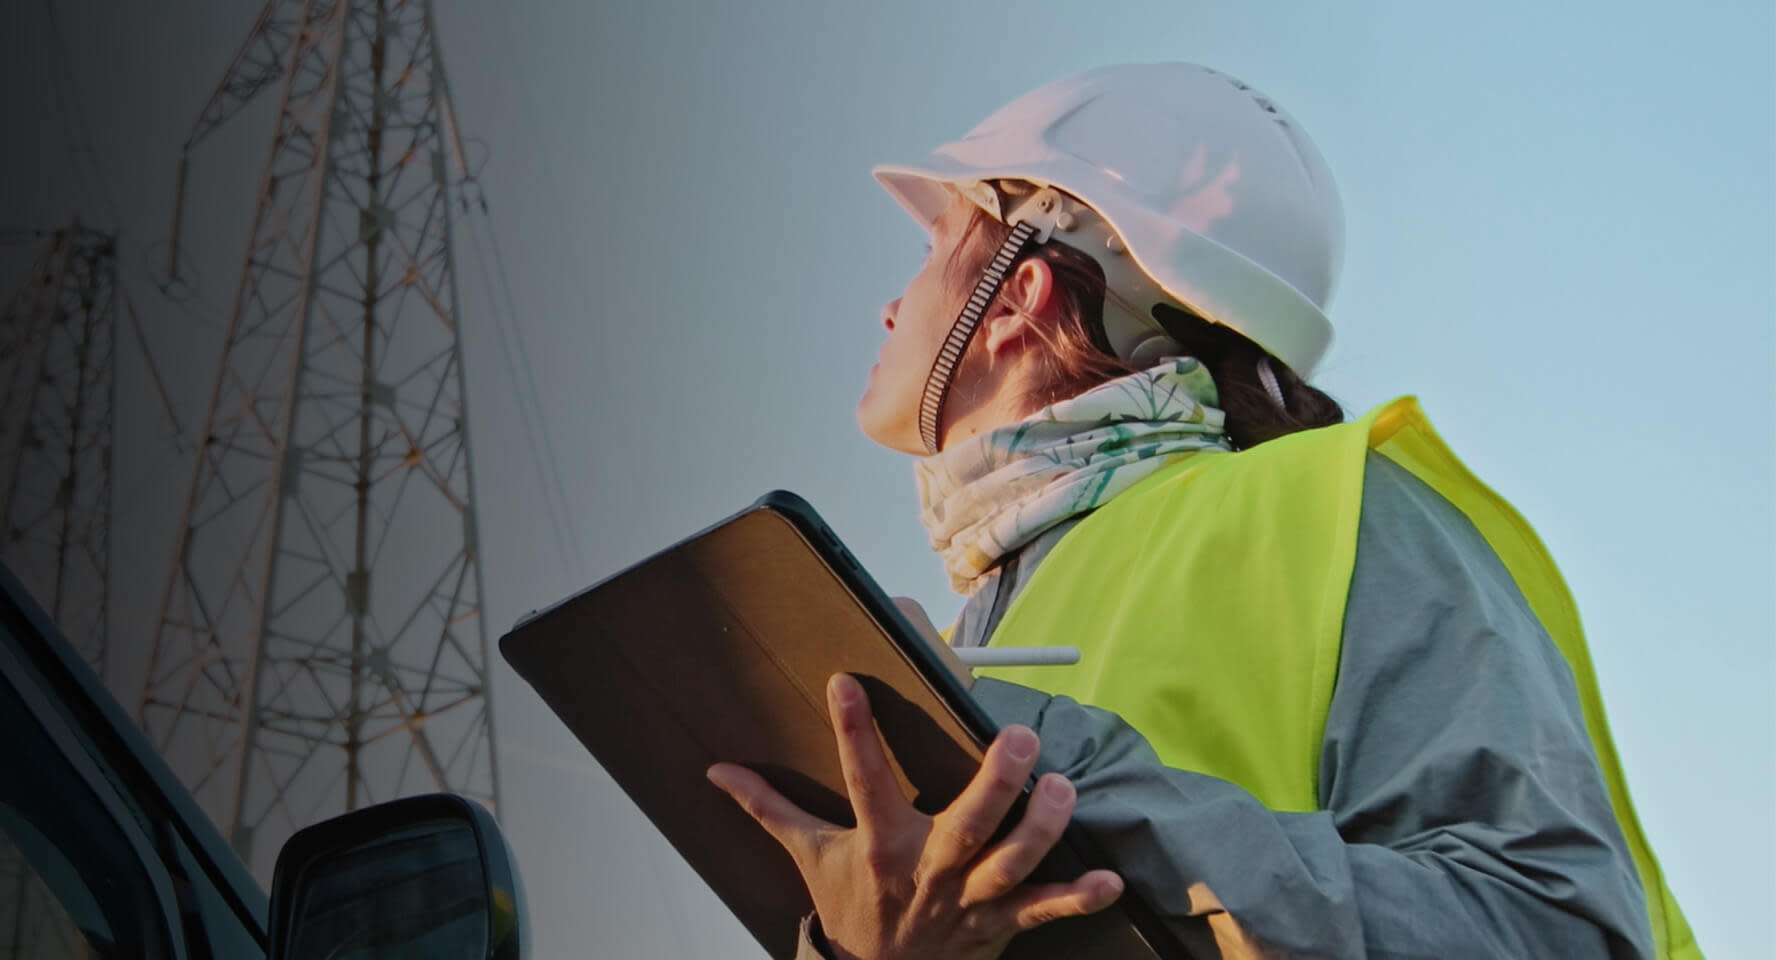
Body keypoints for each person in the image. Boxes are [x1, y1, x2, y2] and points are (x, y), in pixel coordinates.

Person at [702, 62, 1699, 960]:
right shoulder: (970, 633)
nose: (891, 305)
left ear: (1017, 296)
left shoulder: (1330, 512)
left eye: (931, 250)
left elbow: (1543, 927)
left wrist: (1046, 778)